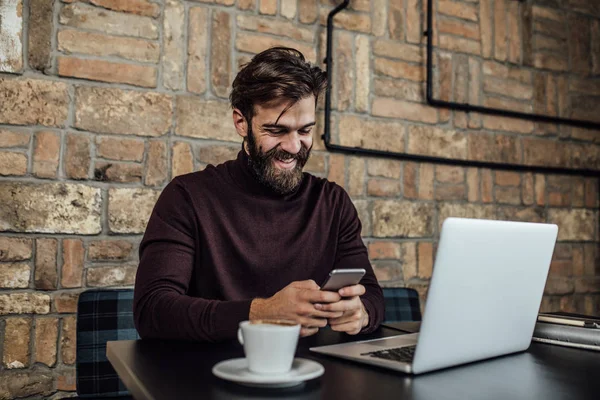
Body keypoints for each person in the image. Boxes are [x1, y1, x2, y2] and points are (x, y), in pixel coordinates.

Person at [133, 47, 384, 342]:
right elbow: (152, 311)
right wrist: (261, 313)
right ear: (241, 122)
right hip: (209, 378)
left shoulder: (333, 203)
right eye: (277, 130)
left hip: (314, 375)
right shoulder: (187, 197)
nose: (293, 146)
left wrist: (360, 313)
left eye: (305, 130)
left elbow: (373, 297)